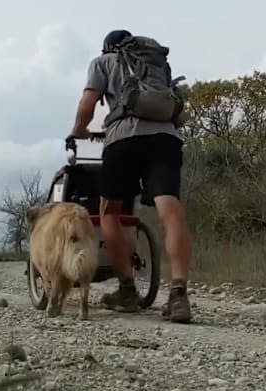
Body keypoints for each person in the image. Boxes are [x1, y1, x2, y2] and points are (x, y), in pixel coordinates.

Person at [67, 29, 192, 323]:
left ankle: (126, 290)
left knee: (109, 210)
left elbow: (88, 105)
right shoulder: (157, 64)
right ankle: (179, 295)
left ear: (107, 47)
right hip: (166, 139)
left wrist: (78, 130)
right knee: (170, 210)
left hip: (123, 139)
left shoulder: (103, 62)